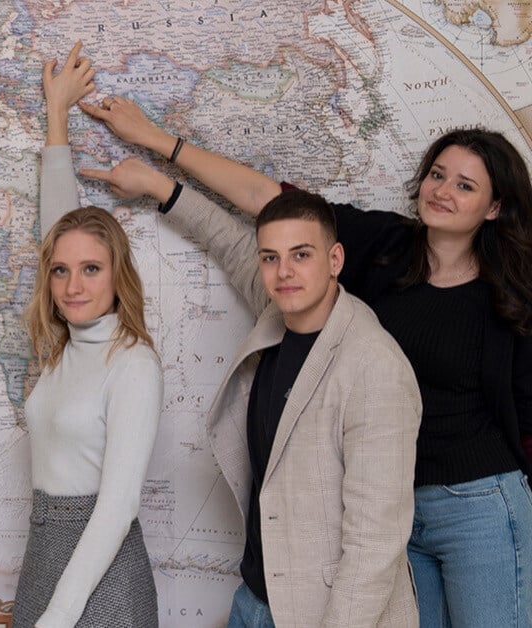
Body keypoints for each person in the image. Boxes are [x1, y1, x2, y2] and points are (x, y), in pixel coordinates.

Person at [82, 93, 532, 627]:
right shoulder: (385, 248)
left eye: (465, 185)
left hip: (477, 504)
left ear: (496, 206)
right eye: (438, 175)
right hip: (393, 505)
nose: (443, 192)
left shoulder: (511, 293)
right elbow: (270, 204)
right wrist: (157, 147)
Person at [9, 43, 162, 628]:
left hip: (104, 575)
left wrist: (59, 616)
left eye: (92, 269)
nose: (73, 285)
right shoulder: (59, 350)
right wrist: (56, 118)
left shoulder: (132, 364)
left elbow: (118, 506)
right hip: (43, 553)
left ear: (116, 274)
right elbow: (60, 233)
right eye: (61, 272)